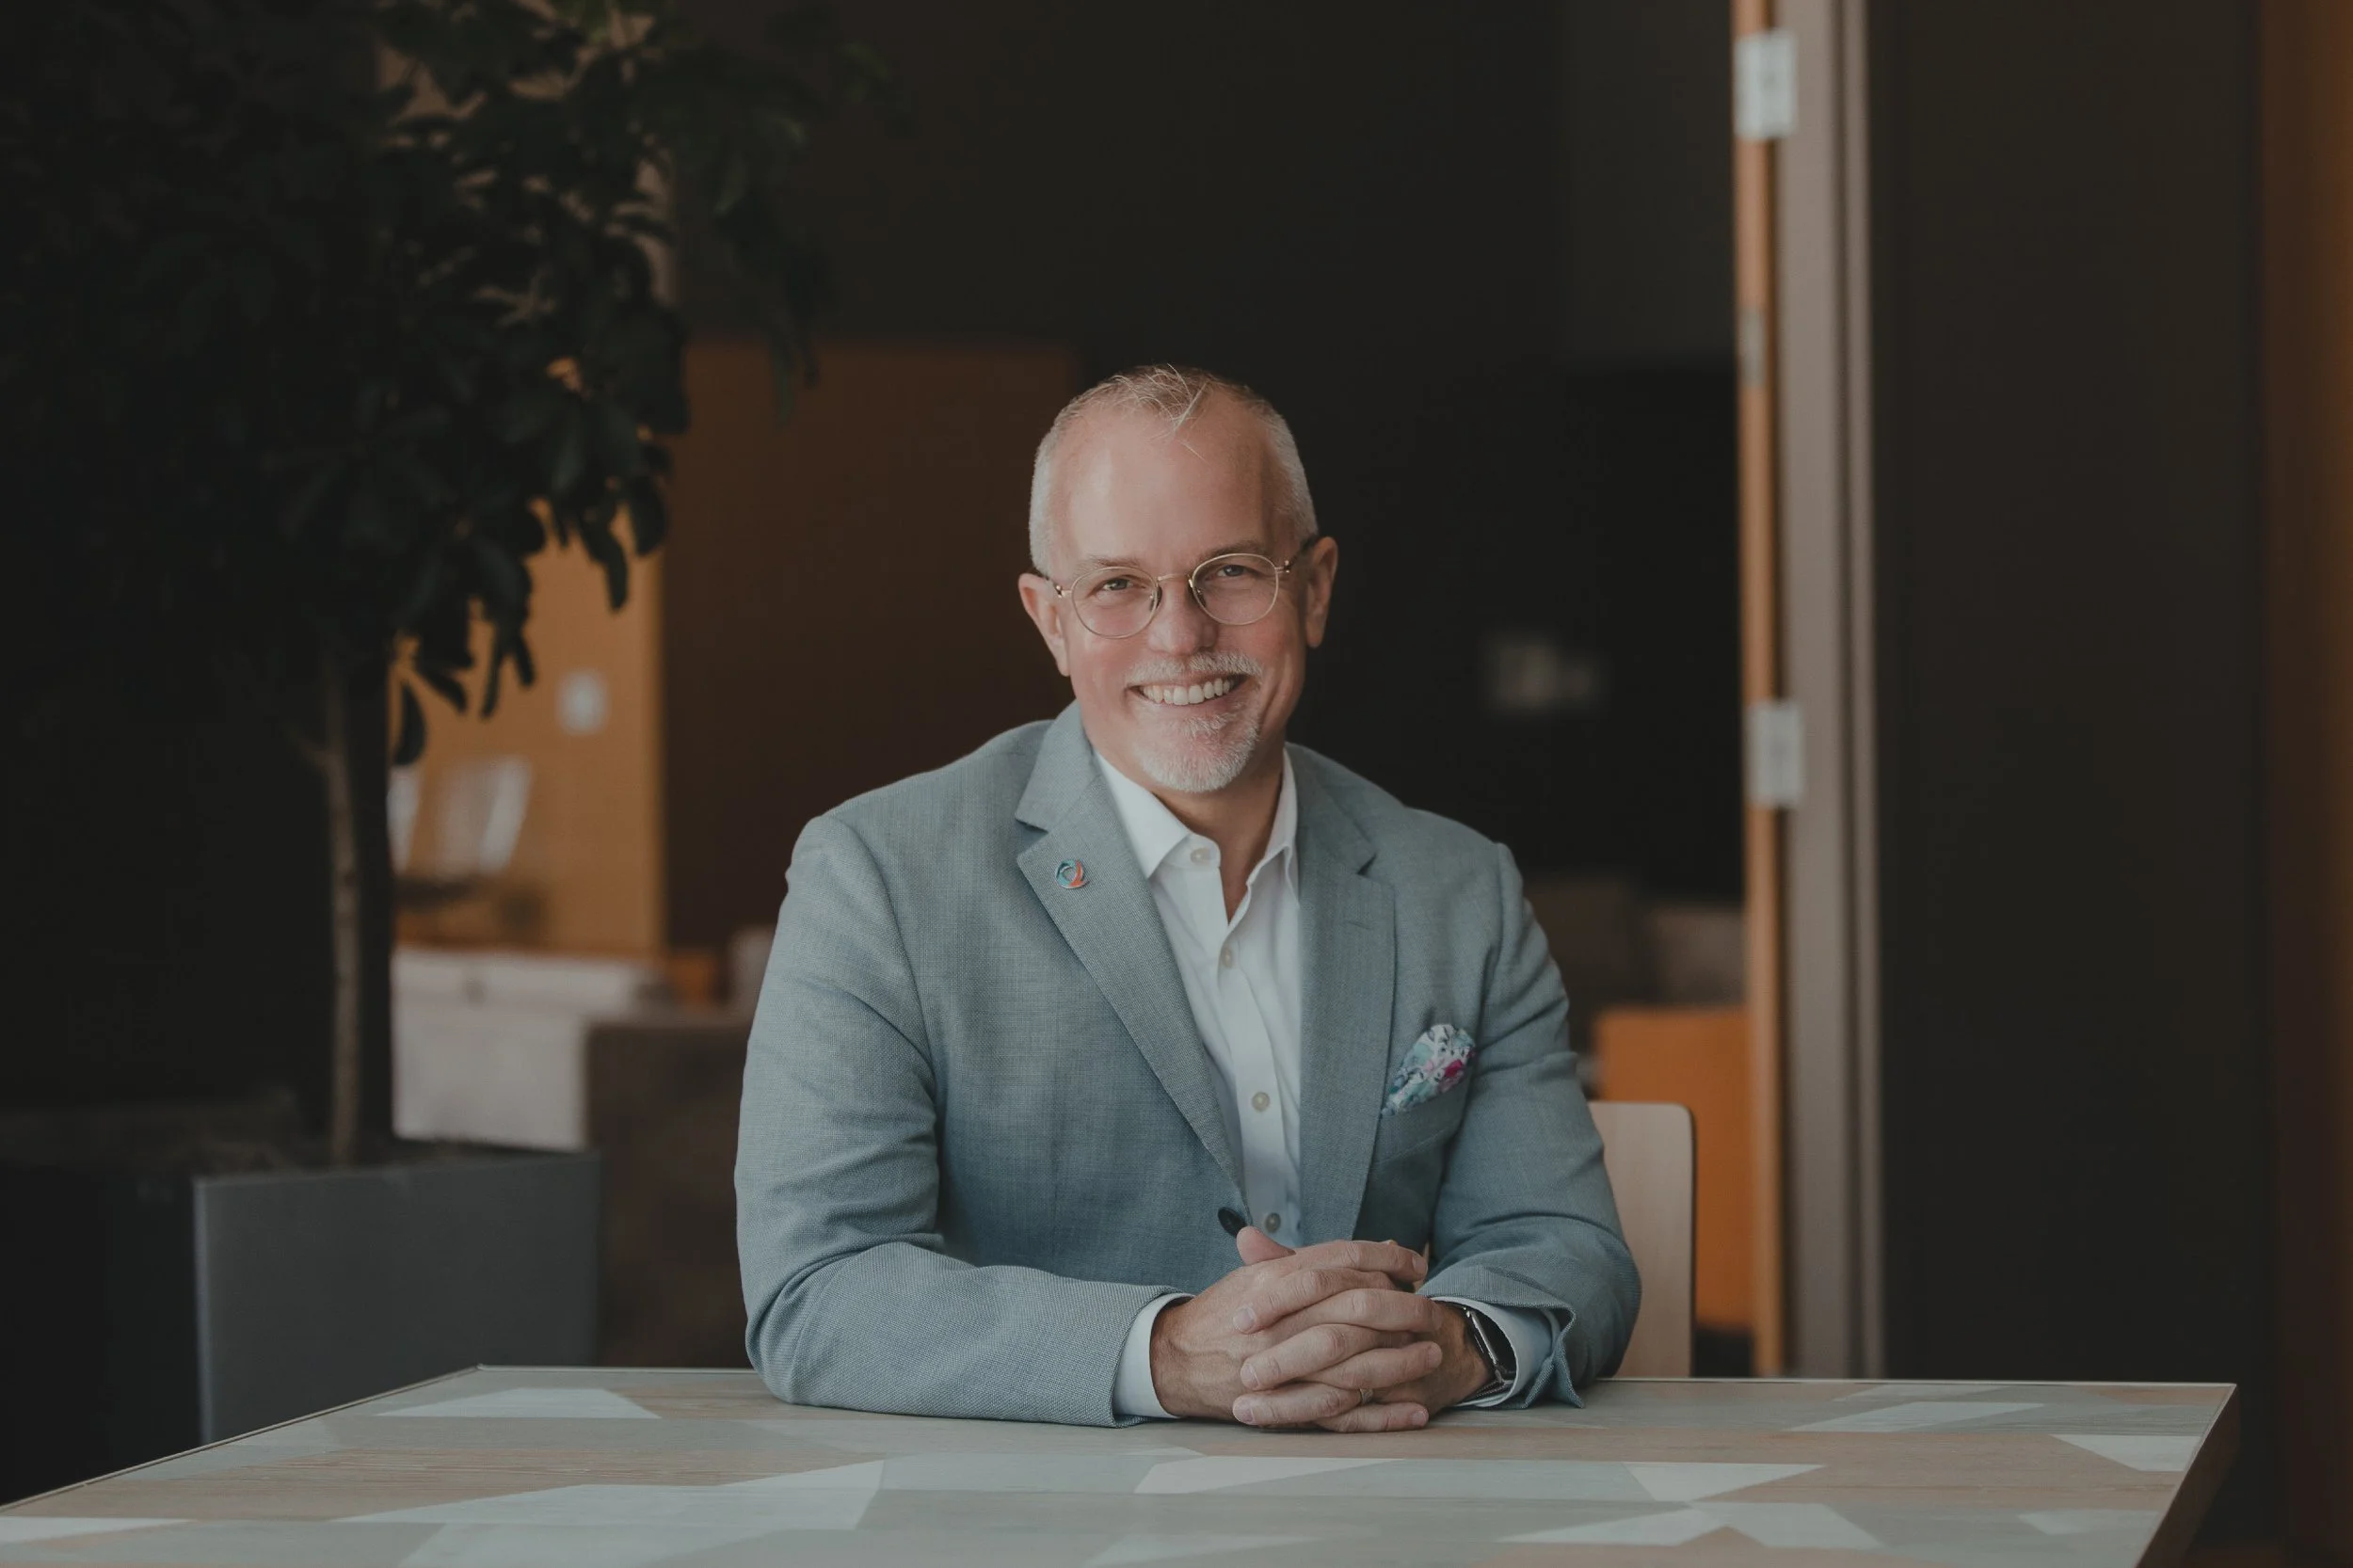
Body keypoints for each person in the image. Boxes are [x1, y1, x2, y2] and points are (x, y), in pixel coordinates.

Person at [736, 365, 1637, 1431]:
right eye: (1117, 585)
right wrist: (1163, 1356)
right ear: (1050, 620)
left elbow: (1567, 1249)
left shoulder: (1458, 887)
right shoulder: (876, 876)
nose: (1179, 637)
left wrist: (1448, 1346)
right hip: (1022, 1525)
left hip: (1391, 1504)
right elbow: (818, 1293)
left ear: (1314, 587)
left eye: (1230, 573)